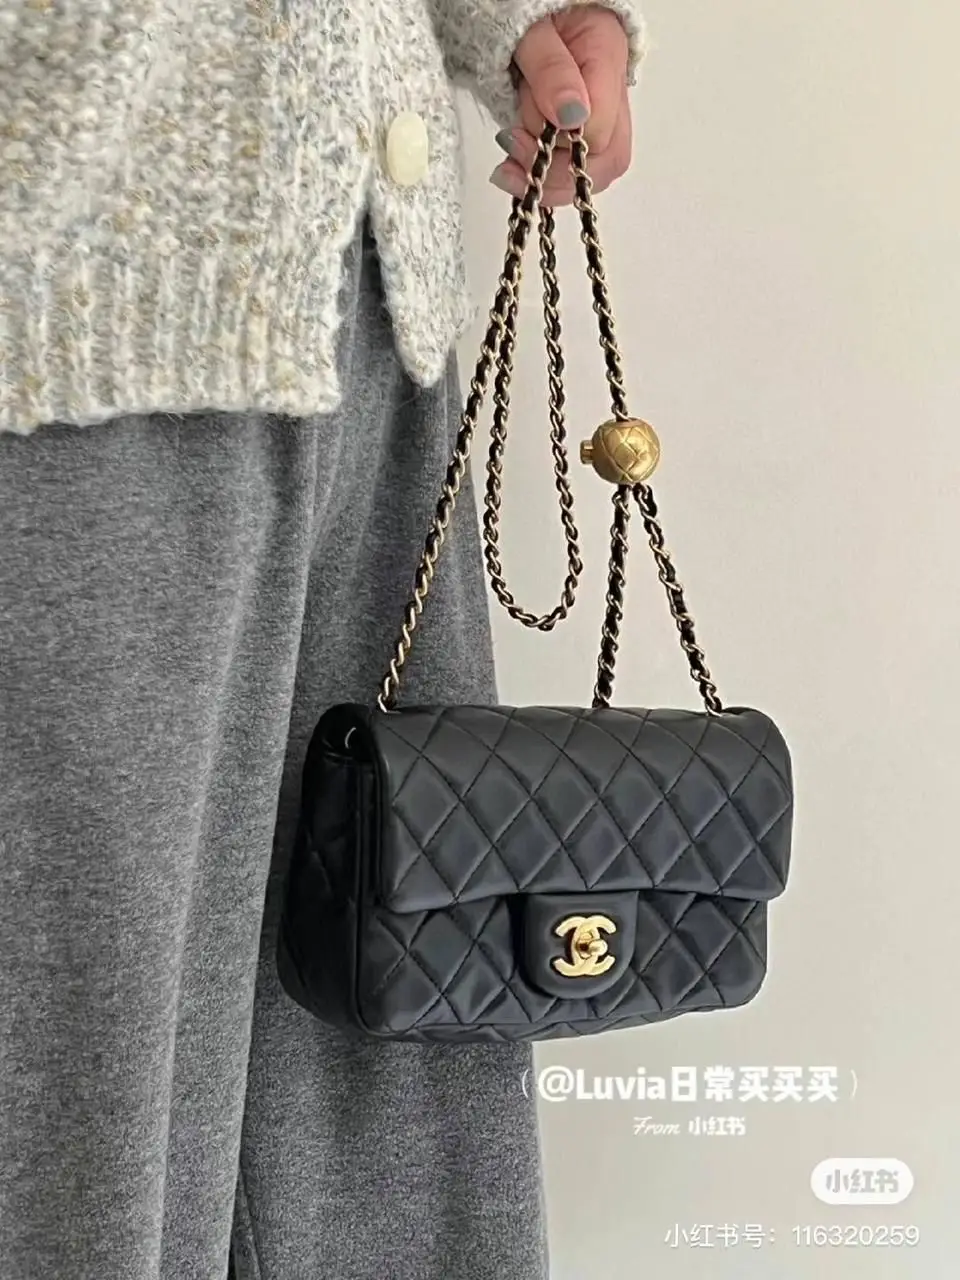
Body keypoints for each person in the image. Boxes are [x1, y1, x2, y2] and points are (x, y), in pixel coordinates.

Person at [0, 3, 642, 1277]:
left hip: (367, 278)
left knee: (400, 1051)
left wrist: (532, 22)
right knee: (81, 1098)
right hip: (67, 299)